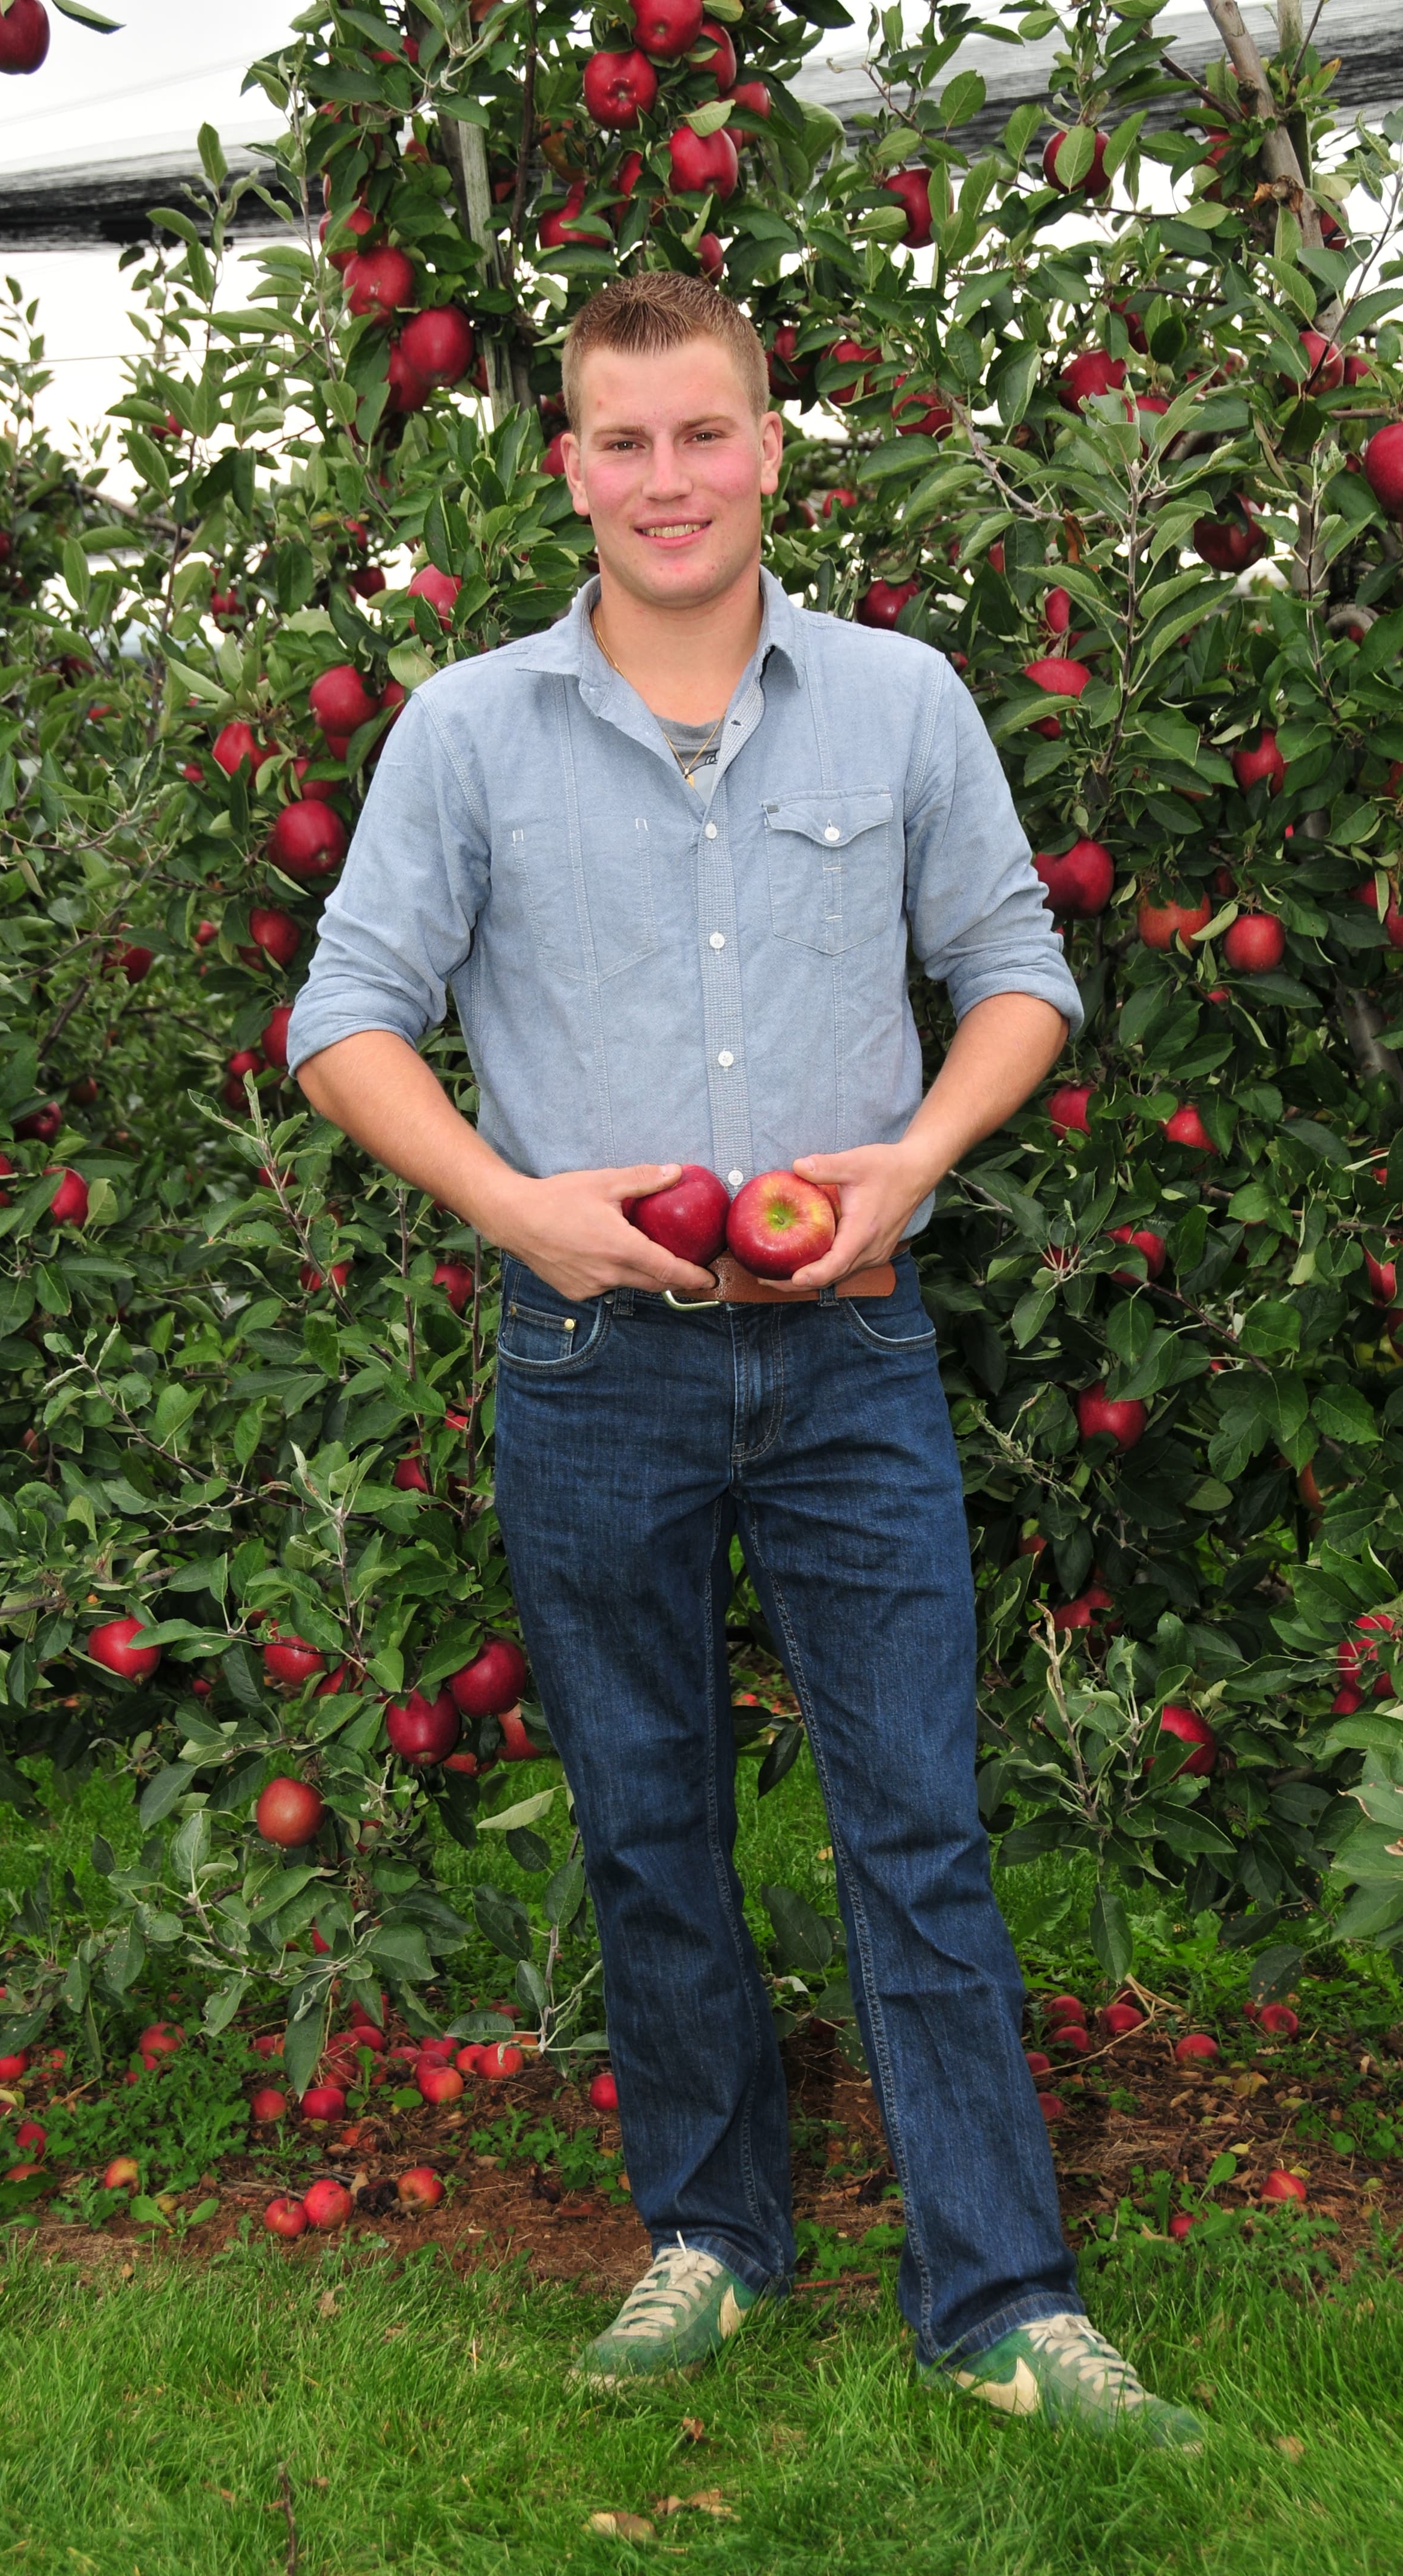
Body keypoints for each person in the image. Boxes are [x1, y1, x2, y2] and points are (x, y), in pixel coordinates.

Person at [287, 272, 1202, 2449]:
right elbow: (345, 1019)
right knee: (644, 1816)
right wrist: (520, 1209)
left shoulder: (897, 702)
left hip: (852, 1339)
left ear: (774, 448)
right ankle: (711, 2233)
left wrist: (922, 1150)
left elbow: (1015, 970)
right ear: (569, 467)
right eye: (625, 443)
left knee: (918, 1823)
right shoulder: (469, 730)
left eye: (706, 436)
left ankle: (1002, 2297)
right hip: (596, 1354)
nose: (668, 480)